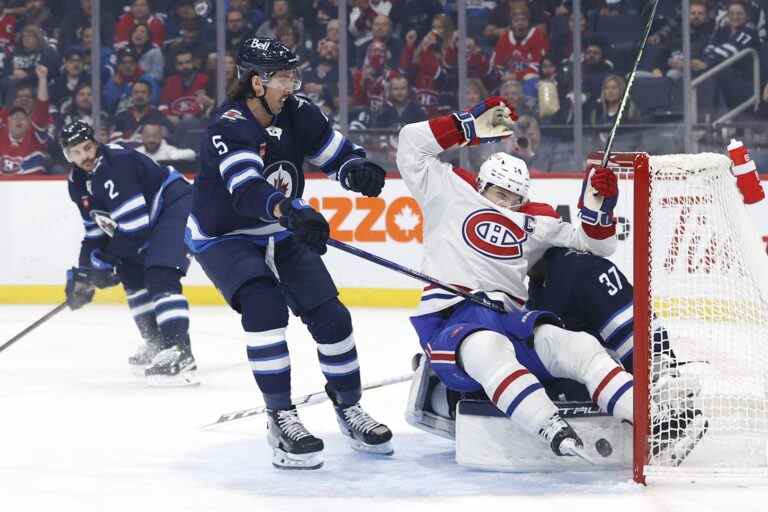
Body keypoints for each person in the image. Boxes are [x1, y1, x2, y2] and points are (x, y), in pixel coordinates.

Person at [186, 37, 392, 470]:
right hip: (226, 236)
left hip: (280, 228)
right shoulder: (229, 124)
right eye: (284, 76)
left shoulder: (298, 112)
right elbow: (246, 189)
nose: (292, 83)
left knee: (332, 316)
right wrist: (290, 209)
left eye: (294, 74)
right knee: (264, 308)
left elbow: (333, 153)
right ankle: (280, 416)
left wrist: (355, 169)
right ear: (256, 82)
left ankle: (349, 408)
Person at [396, 96, 638, 459]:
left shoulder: (536, 221)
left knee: (579, 347)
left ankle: (652, 419)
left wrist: (597, 206)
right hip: (453, 314)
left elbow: (595, 246)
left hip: (513, 317)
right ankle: (549, 425)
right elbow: (410, 144)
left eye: (514, 198)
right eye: (498, 193)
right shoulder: (449, 191)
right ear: (481, 186)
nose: (506, 204)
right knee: (487, 350)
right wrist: (466, 126)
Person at [60, 120, 197, 387]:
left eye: (87, 148)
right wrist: (85, 273)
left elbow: (134, 226)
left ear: (95, 144)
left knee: (161, 273)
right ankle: (156, 341)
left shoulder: (115, 164)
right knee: (130, 272)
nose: (84, 157)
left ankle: (180, 350)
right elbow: (95, 232)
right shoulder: (77, 182)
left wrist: (105, 262)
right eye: (75, 153)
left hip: (175, 204)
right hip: (147, 218)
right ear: (68, 156)